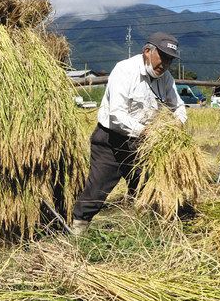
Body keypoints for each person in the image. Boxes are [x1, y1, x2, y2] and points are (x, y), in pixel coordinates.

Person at [71, 32, 186, 234]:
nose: (166, 64)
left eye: (170, 60)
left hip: (142, 145)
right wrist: (146, 131)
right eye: (163, 57)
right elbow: (117, 114)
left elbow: (178, 106)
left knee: (146, 189)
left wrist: (177, 124)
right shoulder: (124, 71)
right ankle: (77, 231)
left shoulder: (166, 78)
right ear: (147, 52)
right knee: (97, 189)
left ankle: (145, 233)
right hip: (111, 141)